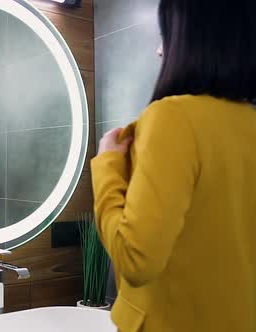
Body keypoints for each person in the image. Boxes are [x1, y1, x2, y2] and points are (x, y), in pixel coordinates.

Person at [91, 0, 256, 331]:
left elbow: (136, 261)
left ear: (192, 39)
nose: (157, 51)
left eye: (166, 34)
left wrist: (107, 164)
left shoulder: (173, 117)